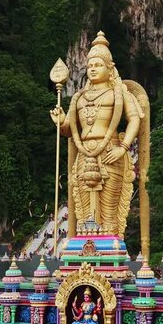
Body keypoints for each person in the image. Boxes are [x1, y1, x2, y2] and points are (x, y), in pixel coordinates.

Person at [50, 31, 144, 237]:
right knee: (84, 211)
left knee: (109, 211)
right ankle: (83, 247)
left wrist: (124, 147)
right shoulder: (79, 97)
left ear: (110, 68)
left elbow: (135, 118)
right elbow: (69, 129)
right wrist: (60, 121)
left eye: (98, 65)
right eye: (90, 66)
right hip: (84, 155)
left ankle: (109, 249)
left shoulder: (118, 92)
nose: (93, 69)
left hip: (110, 152)